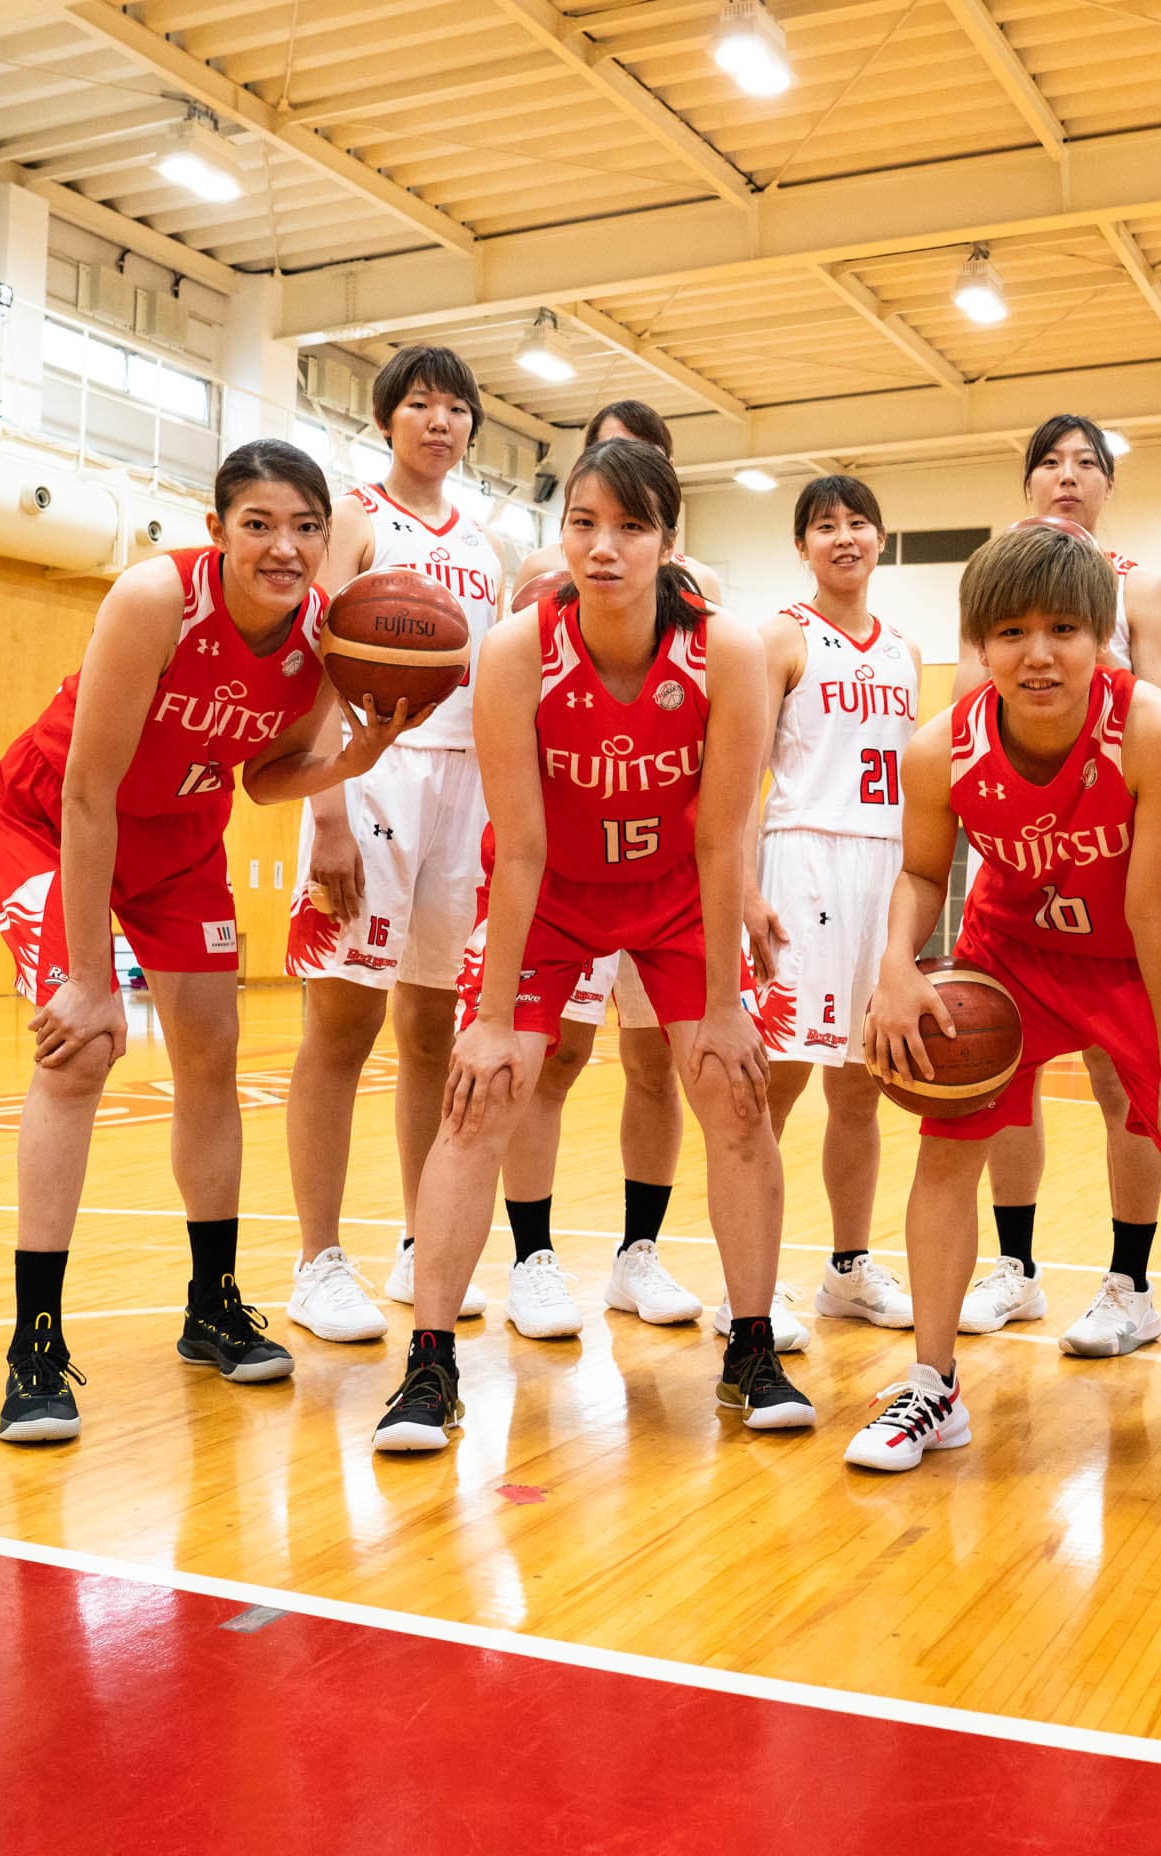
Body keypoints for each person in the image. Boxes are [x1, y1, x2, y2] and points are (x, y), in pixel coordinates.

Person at [374, 436, 807, 1451]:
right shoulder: (518, 648)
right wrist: (486, 1023)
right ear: (560, 531)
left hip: (671, 893)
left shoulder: (728, 651)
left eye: (629, 526)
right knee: (478, 1095)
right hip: (554, 892)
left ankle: (751, 1342)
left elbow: (716, 835)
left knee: (731, 1089)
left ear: (668, 538)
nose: (603, 546)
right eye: (583, 523)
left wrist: (724, 1001)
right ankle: (429, 1361)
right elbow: (518, 847)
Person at [0, 440, 415, 1443]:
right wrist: (94, 978)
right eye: (259, 523)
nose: (284, 545)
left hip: (182, 838)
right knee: (81, 1048)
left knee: (212, 1056)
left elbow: (265, 777)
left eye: (305, 526)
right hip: (56, 820)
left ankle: (211, 1303)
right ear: (216, 528)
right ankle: (34, 1342)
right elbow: (90, 791)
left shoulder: (322, 636)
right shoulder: (154, 600)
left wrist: (351, 757)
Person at [852, 521, 1161, 1508]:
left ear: (1101, 638)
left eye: (1064, 628)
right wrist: (895, 966)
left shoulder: (1157, 732)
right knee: (945, 1148)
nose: (1037, 652)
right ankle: (930, 1384)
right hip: (1010, 952)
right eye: (1012, 630)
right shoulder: (941, 748)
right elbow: (917, 871)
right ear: (978, 644)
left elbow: (1151, 910)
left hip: (1132, 953)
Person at [487, 399, 743, 1343]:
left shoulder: (701, 595)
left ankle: (638, 1253)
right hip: (560, 851)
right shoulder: (534, 584)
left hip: (665, 864)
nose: (608, 535)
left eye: (635, 499)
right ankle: (533, 1257)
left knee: (657, 1067)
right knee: (548, 1059)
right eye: (597, 474)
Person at [948, 413, 1161, 1354]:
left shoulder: (1146, 587)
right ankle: (1014, 1265)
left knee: (1120, 1081)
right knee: (1000, 1062)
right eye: (1048, 461)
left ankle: (1129, 1282)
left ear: (1107, 487)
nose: (1067, 476)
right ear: (1027, 483)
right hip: (1017, 844)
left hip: (1118, 853)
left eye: (1087, 464)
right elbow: (973, 701)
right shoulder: (993, 577)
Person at [280, 345, 497, 1343]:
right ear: (384, 420)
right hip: (369, 777)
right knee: (341, 1028)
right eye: (420, 404)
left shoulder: (489, 547)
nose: (439, 421)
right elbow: (310, 664)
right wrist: (325, 808)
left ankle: (423, 1237)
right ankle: (317, 1259)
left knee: (432, 1033)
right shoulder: (357, 516)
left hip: (463, 788)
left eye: (456, 408)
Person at [752, 475, 918, 1330]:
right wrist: (743, 886)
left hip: (883, 868)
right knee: (772, 1086)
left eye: (859, 521)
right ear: (803, 546)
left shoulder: (904, 649)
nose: (843, 536)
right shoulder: (780, 638)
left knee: (861, 1087)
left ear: (881, 539)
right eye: (825, 525)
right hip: (801, 861)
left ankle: (847, 1271)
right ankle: (752, 1282)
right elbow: (742, 774)